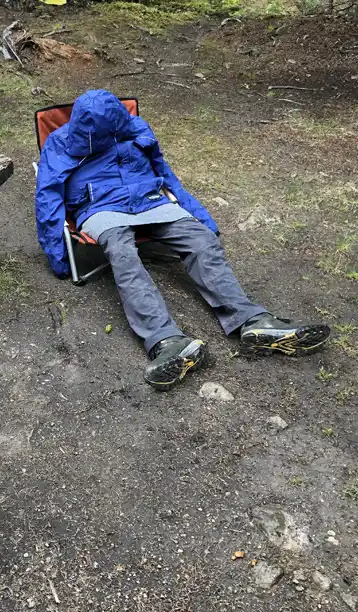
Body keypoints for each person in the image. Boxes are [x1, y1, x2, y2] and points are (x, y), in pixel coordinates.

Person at [35, 90, 330, 390]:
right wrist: (59, 256)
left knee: (201, 240)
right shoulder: (61, 142)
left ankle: (253, 322)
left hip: (150, 200)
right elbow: (48, 196)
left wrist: (202, 219)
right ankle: (166, 341)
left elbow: (166, 174)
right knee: (123, 255)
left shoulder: (135, 128)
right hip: (101, 207)